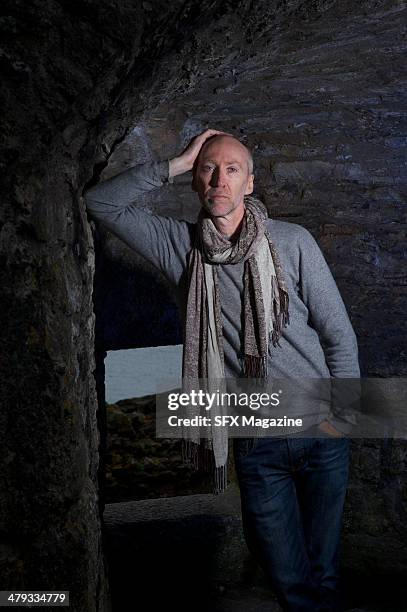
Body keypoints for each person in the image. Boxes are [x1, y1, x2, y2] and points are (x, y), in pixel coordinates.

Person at [84, 128, 360, 611]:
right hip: (256, 440)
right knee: (289, 580)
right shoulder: (180, 247)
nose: (219, 179)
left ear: (249, 184)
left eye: (232, 169)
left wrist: (346, 418)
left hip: (321, 430)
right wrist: (176, 161)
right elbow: (100, 204)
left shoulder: (293, 243)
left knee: (325, 574)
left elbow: (337, 333)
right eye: (208, 168)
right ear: (196, 181)